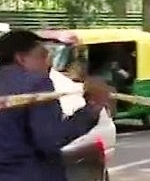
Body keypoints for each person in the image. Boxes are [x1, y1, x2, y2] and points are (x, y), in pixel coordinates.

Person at [0, 29, 111, 181]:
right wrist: (92, 107)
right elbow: (50, 139)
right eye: (43, 56)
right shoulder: (36, 84)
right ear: (21, 58)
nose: (49, 64)